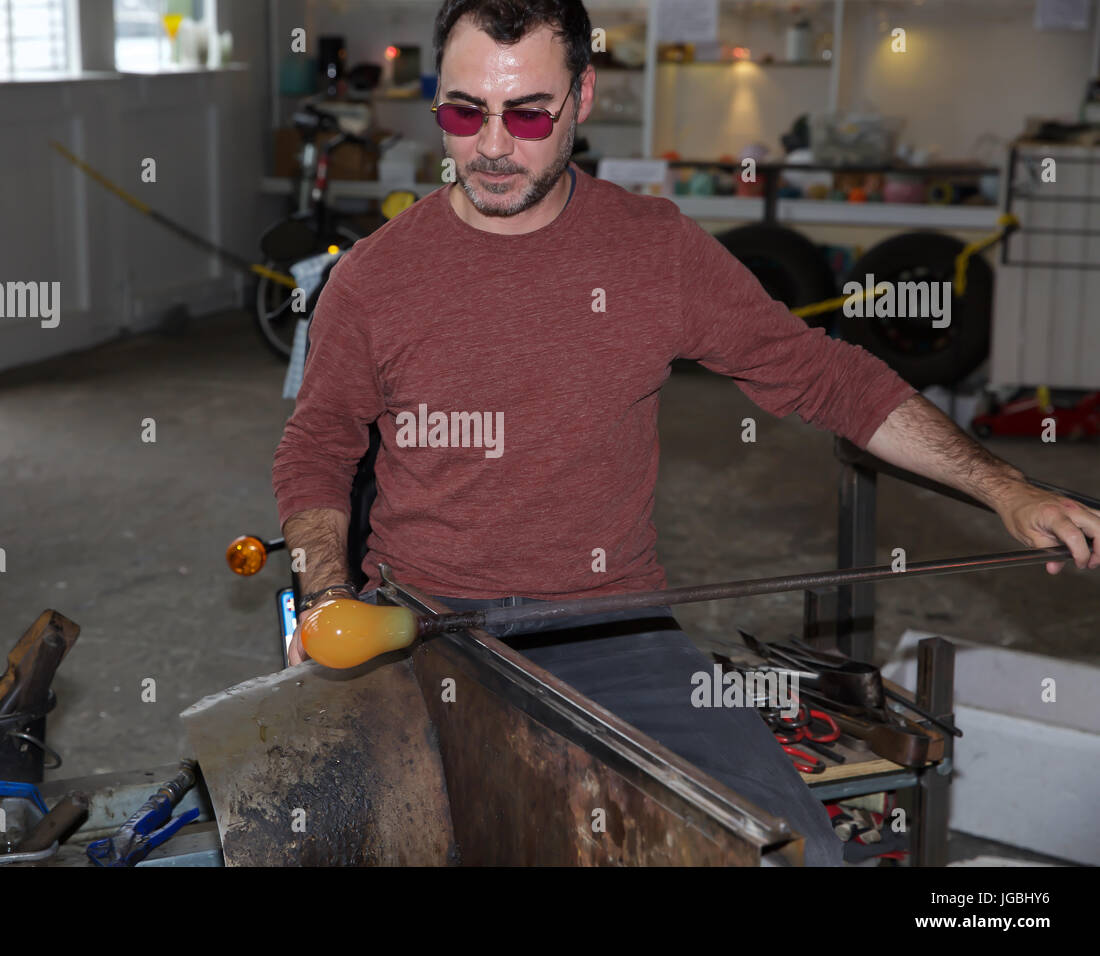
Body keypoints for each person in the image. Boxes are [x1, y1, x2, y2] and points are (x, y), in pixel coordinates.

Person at [271, 0, 1100, 865]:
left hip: (611, 631)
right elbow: (318, 445)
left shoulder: (653, 251)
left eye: (526, 114)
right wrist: (325, 591)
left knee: (790, 853)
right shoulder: (375, 277)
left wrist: (1007, 488)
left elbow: (831, 378)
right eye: (461, 111)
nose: (490, 145)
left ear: (584, 97)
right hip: (423, 631)